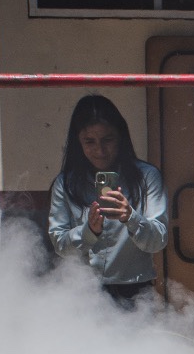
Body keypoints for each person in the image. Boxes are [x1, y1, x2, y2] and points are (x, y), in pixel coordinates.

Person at [47, 94, 169, 306]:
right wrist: (89, 232)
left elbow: (158, 241)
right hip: (81, 291)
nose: (100, 151)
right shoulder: (65, 184)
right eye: (89, 142)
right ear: (78, 142)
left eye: (107, 140)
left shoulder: (147, 176)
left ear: (120, 137)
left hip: (136, 292)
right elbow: (60, 245)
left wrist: (132, 218)